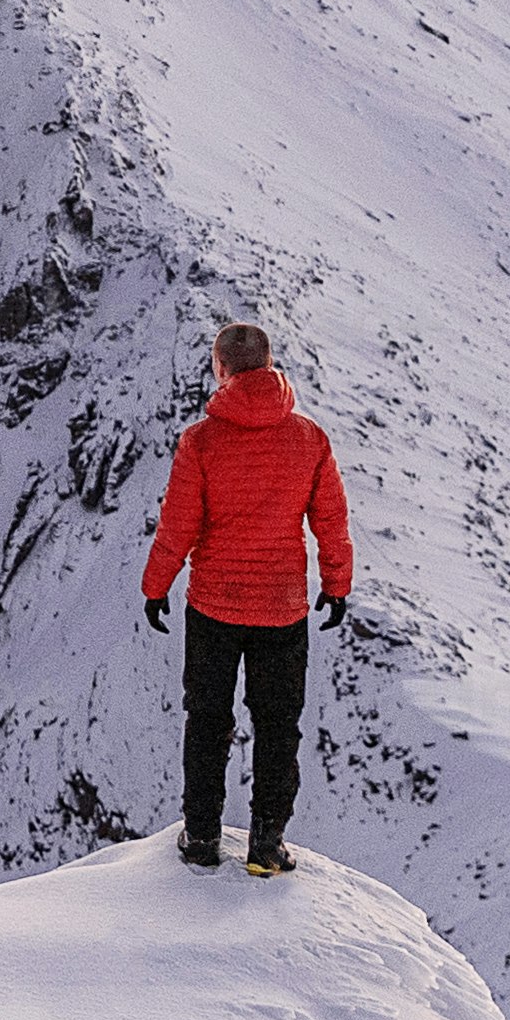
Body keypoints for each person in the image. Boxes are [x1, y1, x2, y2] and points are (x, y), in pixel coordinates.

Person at [140, 320, 350, 876]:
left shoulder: (201, 441)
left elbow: (178, 526)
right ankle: (266, 847)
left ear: (221, 369)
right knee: (278, 726)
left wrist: (155, 586)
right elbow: (330, 520)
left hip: (214, 607)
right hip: (282, 609)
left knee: (208, 721)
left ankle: (203, 838)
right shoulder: (309, 439)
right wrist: (336, 582)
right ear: (270, 364)